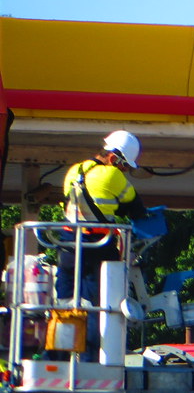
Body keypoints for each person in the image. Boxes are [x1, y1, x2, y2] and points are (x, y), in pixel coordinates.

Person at [57, 130, 147, 360]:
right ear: (115, 158)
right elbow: (136, 209)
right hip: (97, 247)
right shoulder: (112, 176)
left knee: (63, 306)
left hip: (67, 245)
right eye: (125, 165)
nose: (124, 170)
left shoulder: (74, 171)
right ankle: (90, 362)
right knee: (97, 307)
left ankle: (56, 357)